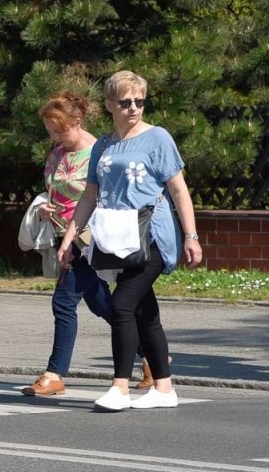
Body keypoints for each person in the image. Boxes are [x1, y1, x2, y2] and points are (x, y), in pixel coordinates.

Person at [55, 71, 203, 411]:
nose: (134, 108)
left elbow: (179, 189)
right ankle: (164, 389)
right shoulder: (103, 145)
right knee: (145, 312)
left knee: (121, 305)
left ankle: (119, 387)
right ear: (109, 105)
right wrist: (69, 237)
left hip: (151, 234)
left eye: (139, 101)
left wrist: (191, 235)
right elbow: (90, 196)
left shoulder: (158, 138)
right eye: (125, 102)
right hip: (117, 236)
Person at [23, 91, 151, 397]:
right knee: (102, 304)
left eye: (60, 129)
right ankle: (152, 357)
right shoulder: (58, 153)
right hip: (63, 236)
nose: (54, 136)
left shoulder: (97, 152)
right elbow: (56, 190)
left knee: (63, 301)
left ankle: (54, 374)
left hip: (88, 237)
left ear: (77, 122)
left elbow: (102, 199)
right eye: (50, 130)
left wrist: (76, 239)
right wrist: (45, 208)